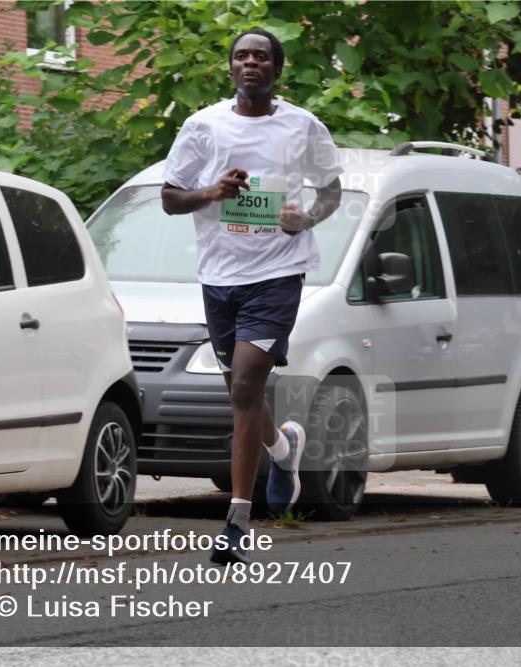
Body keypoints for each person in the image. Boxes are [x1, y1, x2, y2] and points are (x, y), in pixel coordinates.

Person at [160, 28, 343, 562]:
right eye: (241, 56)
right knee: (241, 391)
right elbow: (171, 198)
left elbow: (330, 191)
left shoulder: (302, 125)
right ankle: (283, 450)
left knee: (243, 386)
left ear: (276, 69)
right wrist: (211, 191)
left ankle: (238, 523)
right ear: (231, 68)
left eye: (261, 56)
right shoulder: (203, 126)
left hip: (278, 273)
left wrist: (304, 218)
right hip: (219, 277)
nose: (250, 63)